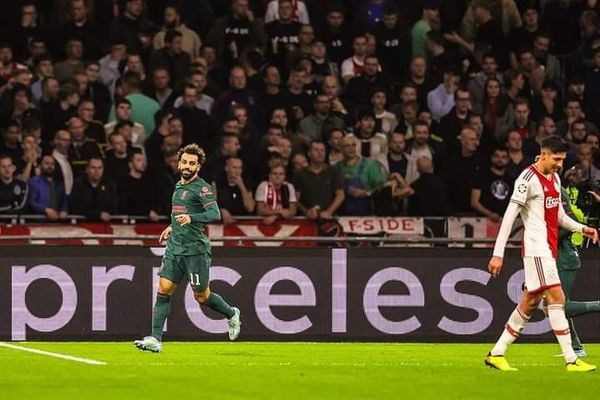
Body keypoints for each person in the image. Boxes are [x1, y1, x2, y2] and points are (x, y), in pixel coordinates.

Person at [484, 135, 599, 372]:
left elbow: (559, 216)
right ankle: (571, 359)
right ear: (544, 154)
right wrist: (498, 253)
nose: (559, 164)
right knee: (557, 298)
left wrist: (582, 228)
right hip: (537, 249)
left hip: (549, 249)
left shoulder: (554, 178)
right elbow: (509, 216)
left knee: (530, 301)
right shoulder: (527, 179)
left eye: (562, 159)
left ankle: (496, 353)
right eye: (556, 158)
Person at [135, 144, 241, 353]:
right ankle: (155, 339)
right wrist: (172, 227)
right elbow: (179, 214)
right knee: (164, 289)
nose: (187, 166)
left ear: (198, 167)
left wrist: (192, 218)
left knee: (202, 297)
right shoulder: (178, 186)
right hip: (175, 248)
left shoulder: (202, 188)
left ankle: (231, 313)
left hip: (195, 251)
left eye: (192, 163)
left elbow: (214, 214)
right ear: (179, 163)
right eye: (184, 162)